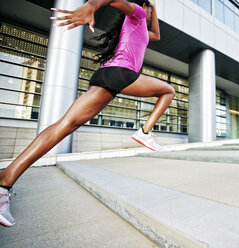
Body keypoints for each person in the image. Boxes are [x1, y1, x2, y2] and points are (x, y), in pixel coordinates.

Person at [0, 0, 175, 227]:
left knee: (65, 124)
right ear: (144, 6)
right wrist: (92, 5)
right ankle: (145, 132)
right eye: (149, 8)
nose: (150, 13)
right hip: (122, 74)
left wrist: (155, 7)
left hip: (105, 75)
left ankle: (5, 182)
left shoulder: (139, 27)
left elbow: (156, 35)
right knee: (169, 91)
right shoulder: (138, 13)